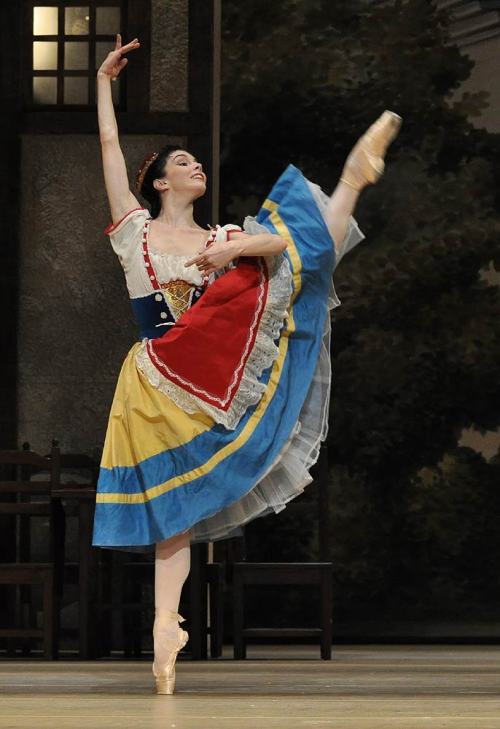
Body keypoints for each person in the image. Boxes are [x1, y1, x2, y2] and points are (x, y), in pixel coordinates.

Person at [91, 34, 401, 694]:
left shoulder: (219, 236)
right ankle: (166, 626)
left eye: (198, 159)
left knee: (290, 251)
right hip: (153, 381)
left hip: (209, 365)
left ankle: (350, 179)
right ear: (160, 181)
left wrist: (228, 256)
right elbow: (111, 154)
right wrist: (101, 85)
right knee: (172, 513)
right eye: (184, 160)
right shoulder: (134, 231)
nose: (195, 164)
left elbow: (273, 245)